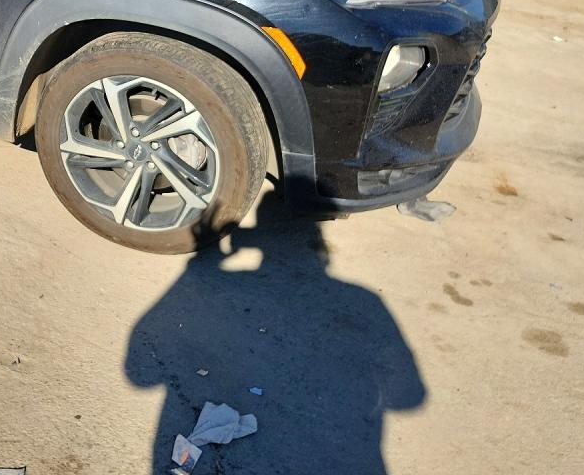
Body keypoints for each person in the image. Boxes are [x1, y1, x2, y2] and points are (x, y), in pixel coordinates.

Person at [125, 191, 424, 474]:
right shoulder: (365, 300)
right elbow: (410, 396)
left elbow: (139, 374)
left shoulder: (364, 299)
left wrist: (205, 258)